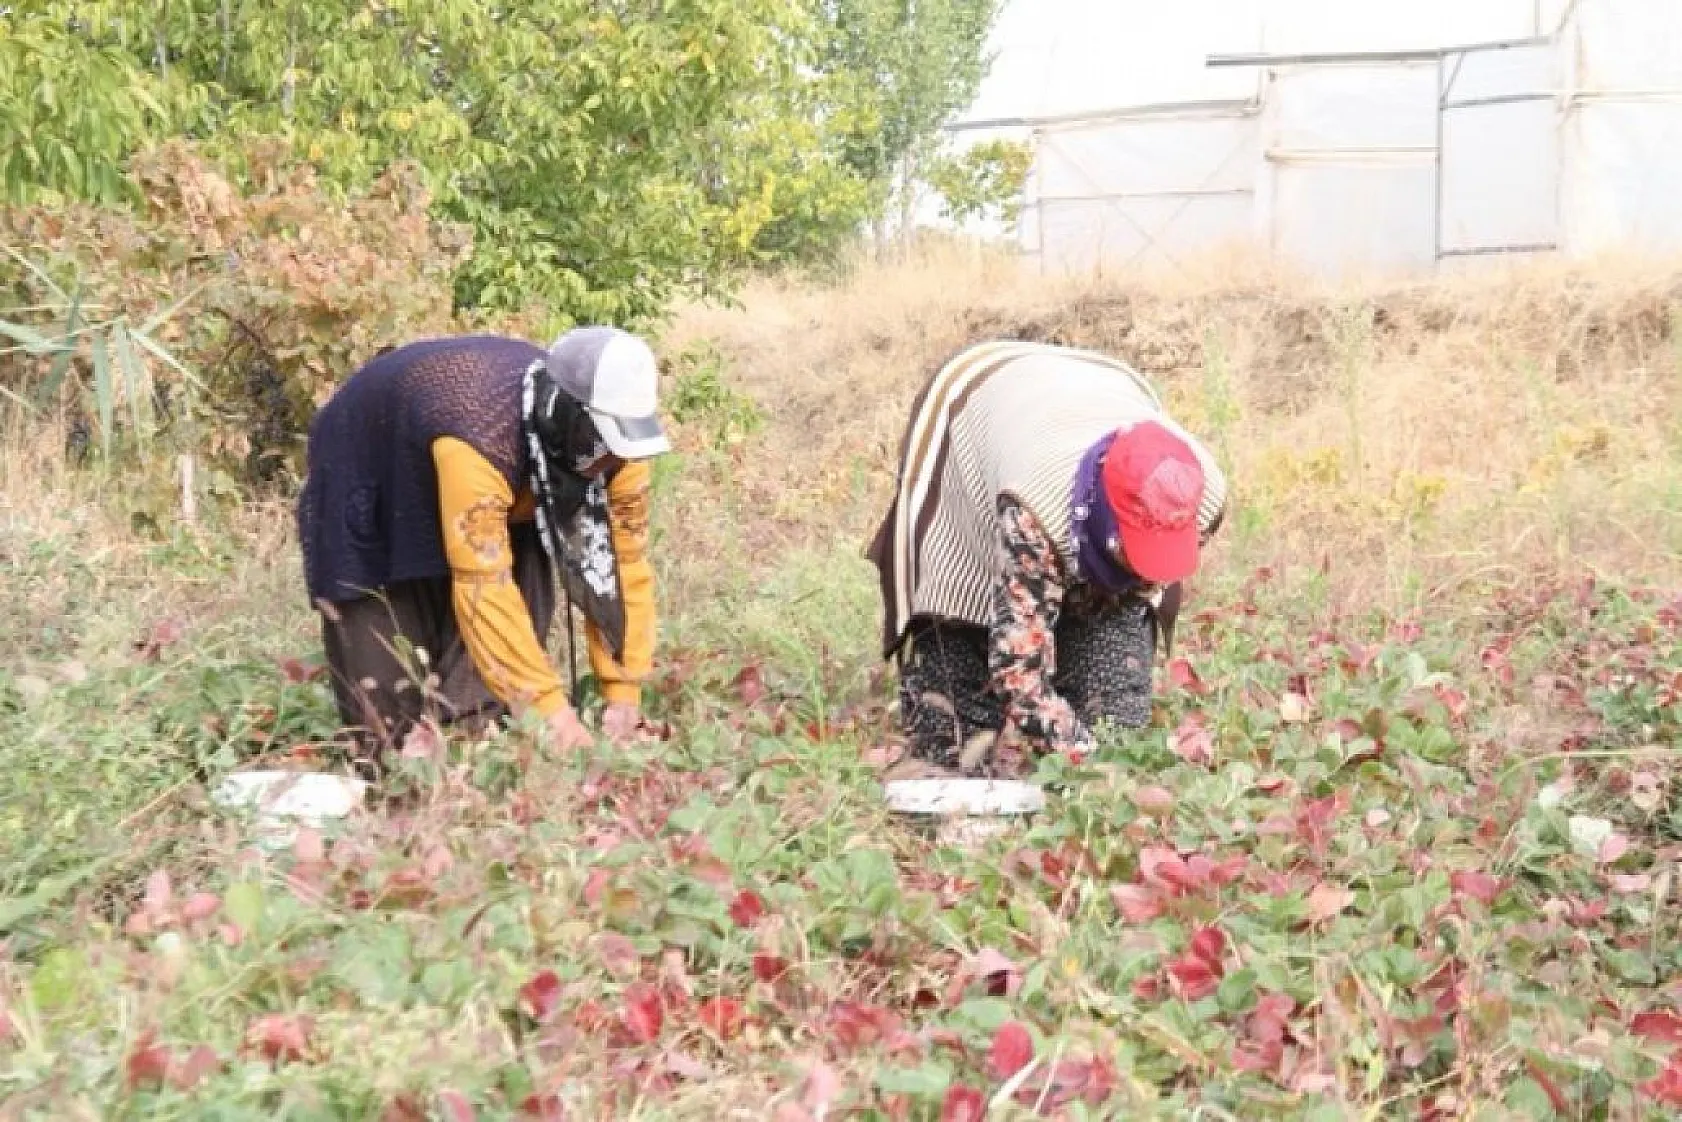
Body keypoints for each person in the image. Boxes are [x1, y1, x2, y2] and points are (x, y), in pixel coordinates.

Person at [296, 327, 668, 766]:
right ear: (565, 415)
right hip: (374, 456)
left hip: (509, 479)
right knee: (384, 716)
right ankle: (396, 779)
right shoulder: (478, 439)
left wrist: (623, 691)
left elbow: (622, 565)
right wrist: (551, 712)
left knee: (487, 698)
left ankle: (472, 744)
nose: (611, 458)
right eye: (603, 439)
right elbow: (482, 586)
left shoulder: (623, 451)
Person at [866, 339, 1229, 777]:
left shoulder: (1199, 491)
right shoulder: (1034, 504)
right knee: (954, 707)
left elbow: (1142, 589)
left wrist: (1101, 760)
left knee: (1116, 717)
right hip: (979, 407)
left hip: (1100, 384)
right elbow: (1019, 672)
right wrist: (1079, 754)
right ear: (1105, 521)